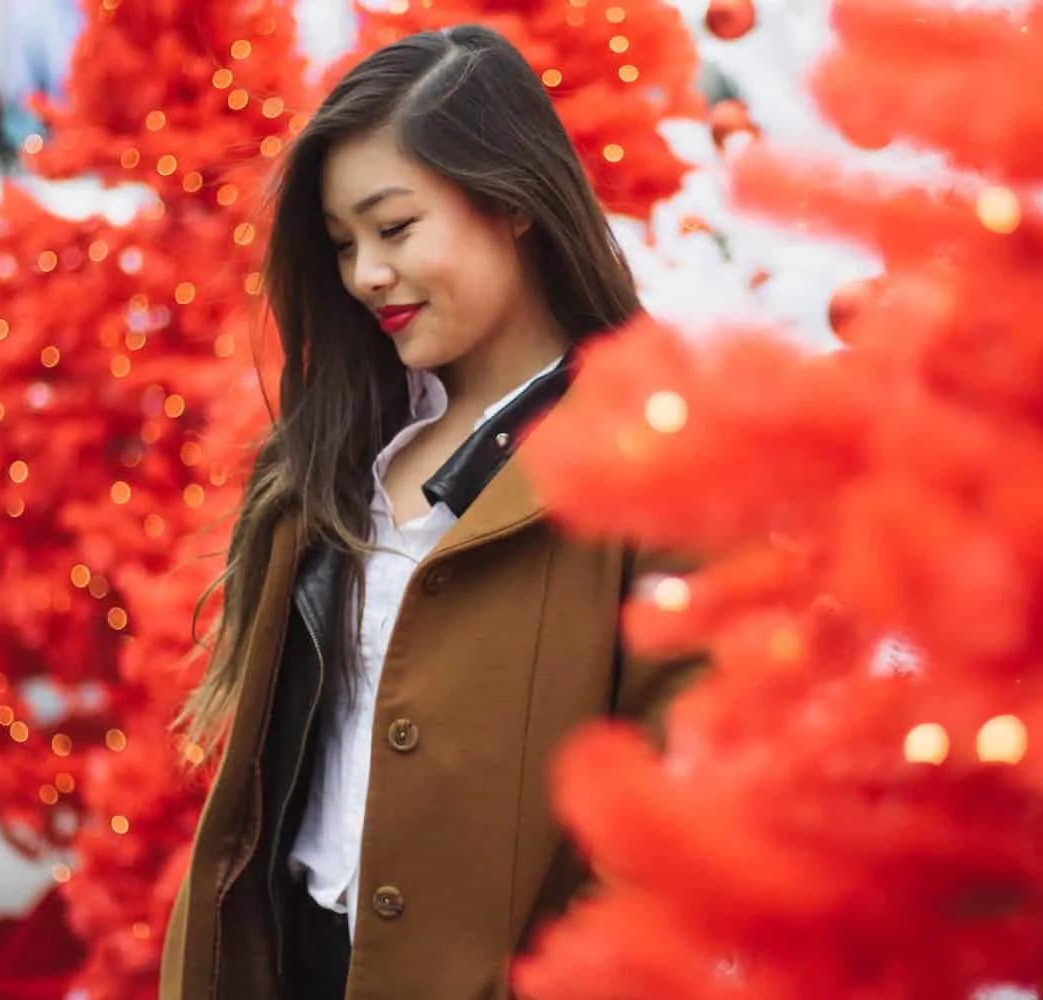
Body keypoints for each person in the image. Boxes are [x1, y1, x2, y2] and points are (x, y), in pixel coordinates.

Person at [160, 25, 700, 1000]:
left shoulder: (658, 456)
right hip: (298, 958)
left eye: (395, 227)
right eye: (341, 245)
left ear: (512, 200)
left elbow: (677, 814)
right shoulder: (341, 448)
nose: (364, 273)